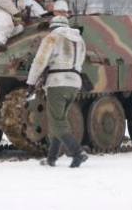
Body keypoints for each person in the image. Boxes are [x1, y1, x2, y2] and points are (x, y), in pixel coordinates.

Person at [26, 10, 88, 168]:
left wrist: (31, 83)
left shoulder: (52, 37)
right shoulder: (79, 39)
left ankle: (77, 152)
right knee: (59, 121)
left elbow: (39, 61)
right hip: (74, 83)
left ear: (52, 27)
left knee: (56, 122)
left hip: (57, 83)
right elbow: (80, 61)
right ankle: (52, 158)